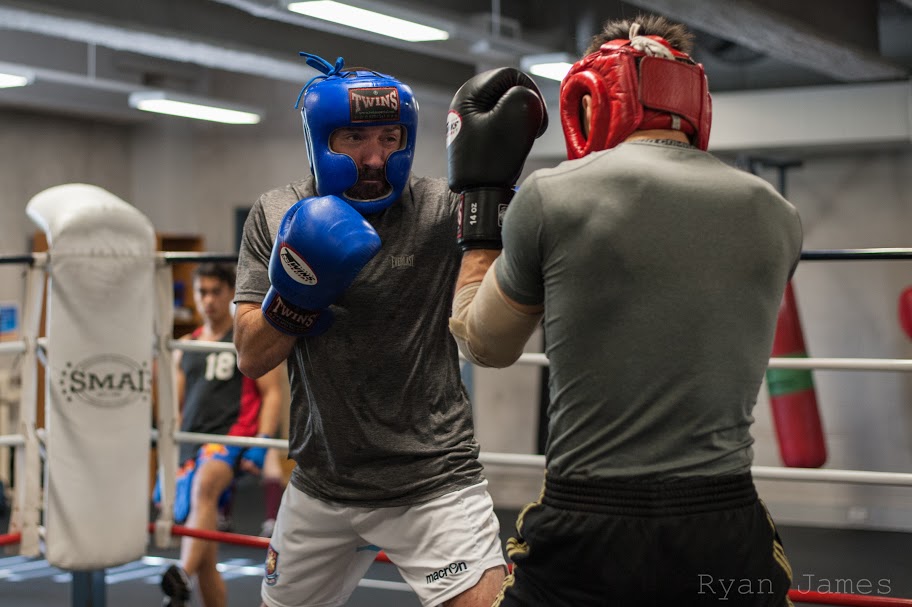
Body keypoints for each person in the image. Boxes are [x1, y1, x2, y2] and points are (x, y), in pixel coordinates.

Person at [448, 15, 802, 607]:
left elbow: (486, 345)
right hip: (722, 520)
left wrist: (480, 214)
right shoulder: (777, 213)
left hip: (587, 519)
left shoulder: (552, 195)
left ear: (593, 99)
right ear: (694, 103)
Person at [231, 52, 546, 607]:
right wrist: (299, 293)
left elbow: (502, 297)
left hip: (432, 480)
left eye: (391, 137)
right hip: (321, 480)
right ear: (319, 140)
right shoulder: (278, 212)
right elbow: (252, 357)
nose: (376, 157)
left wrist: (492, 198)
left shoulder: (441, 208)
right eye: (354, 138)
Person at [157, 263, 287, 607]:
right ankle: (191, 577)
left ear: (230, 293)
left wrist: (259, 443)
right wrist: (169, 455)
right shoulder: (187, 345)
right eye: (202, 292)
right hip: (190, 443)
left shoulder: (244, 340)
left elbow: (272, 392)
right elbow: (176, 407)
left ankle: (181, 573)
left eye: (216, 292)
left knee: (205, 487)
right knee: (207, 554)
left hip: (228, 439)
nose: (208, 300)